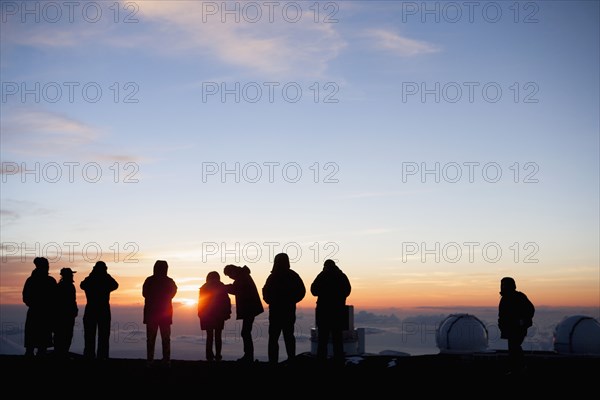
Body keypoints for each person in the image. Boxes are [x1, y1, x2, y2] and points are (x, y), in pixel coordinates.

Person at [262, 252, 306, 365]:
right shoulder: (292, 275)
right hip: (288, 311)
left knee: (274, 338)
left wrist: (271, 301)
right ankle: (291, 360)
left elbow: (265, 292)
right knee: (288, 336)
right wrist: (292, 300)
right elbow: (302, 291)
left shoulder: (272, 277)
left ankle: (273, 362)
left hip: (276, 311)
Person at [310, 259, 351, 364]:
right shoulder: (341, 276)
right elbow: (347, 290)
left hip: (323, 313)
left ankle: (321, 361)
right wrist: (339, 297)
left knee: (322, 339)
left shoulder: (322, 276)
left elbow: (313, 290)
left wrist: (324, 292)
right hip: (337, 312)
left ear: (325, 266)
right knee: (337, 338)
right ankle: (339, 360)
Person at [223, 264, 264, 363]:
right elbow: (236, 288)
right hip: (250, 308)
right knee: (246, 332)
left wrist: (223, 287)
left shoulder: (242, 277)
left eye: (229, 275)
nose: (230, 277)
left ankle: (248, 356)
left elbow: (236, 289)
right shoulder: (243, 275)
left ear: (232, 271)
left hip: (249, 308)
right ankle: (248, 356)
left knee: (245, 332)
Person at [80, 261, 119, 360]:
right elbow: (115, 285)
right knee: (104, 336)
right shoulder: (106, 279)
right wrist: (106, 275)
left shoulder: (90, 279)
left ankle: (89, 356)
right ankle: (102, 357)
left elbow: (82, 285)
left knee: (89, 335)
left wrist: (91, 275)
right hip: (103, 310)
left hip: (91, 310)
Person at [142, 260, 178, 367]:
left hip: (151, 314)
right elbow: (173, 292)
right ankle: (166, 360)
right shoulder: (169, 281)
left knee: (150, 339)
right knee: (166, 338)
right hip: (165, 314)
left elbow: (144, 293)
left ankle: (150, 360)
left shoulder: (149, 280)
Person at [498, 276, 535, 375]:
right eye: (502, 285)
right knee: (513, 348)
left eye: (505, 285)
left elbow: (530, 309)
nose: (503, 286)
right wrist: (501, 325)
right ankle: (516, 368)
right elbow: (502, 315)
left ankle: (519, 367)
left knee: (514, 347)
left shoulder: (519, 296)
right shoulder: (505, 298)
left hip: (518, 328)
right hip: (510, 329)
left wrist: (522, 321)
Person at [22, 257, 57, 357]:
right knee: (41, 341)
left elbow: (26, 297)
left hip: (36, 312)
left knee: (34, 338)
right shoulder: (50, 281)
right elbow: (55, 299)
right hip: (43, 313)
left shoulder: (31, 280)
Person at [198, 271, 231, 362]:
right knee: (218, 335)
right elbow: (227, 301)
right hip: (219, 315)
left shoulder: (204, 287)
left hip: (208, 315)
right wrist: (227, 312)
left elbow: (201, 303)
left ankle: (209, 356)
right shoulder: (221, 286)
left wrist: (200, 314)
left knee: (209, 336)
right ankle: (218, 356)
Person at [54, 267, 78, 359]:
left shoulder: (60, 286)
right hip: (65, 315)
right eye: (71, 274)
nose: (72, 275)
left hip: (63, 315)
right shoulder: (67, 286)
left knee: (62, 334)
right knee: (65, 334)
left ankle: (61, 353)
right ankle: (61, 353)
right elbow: (71, 301)